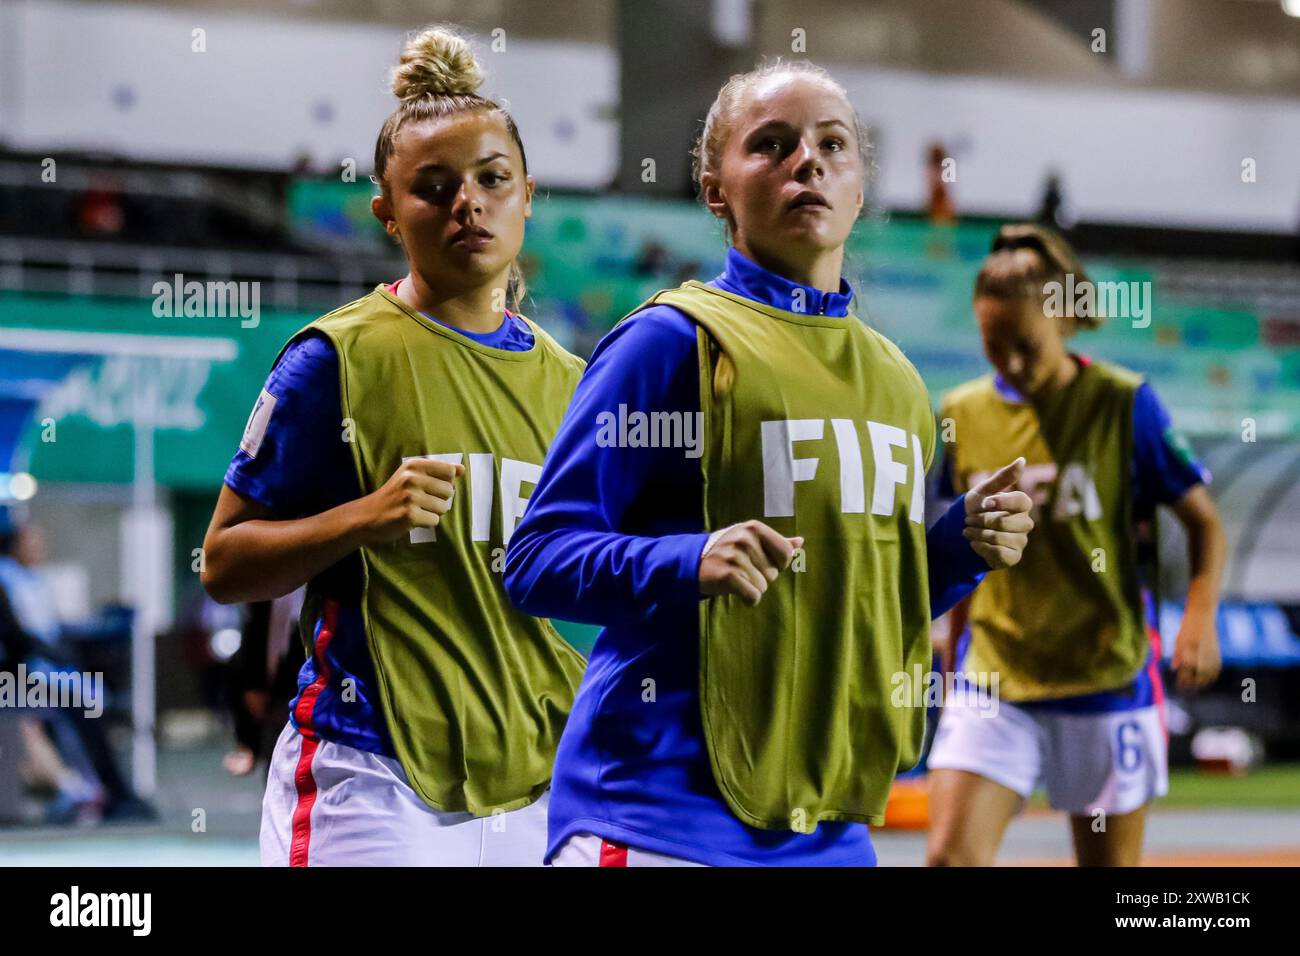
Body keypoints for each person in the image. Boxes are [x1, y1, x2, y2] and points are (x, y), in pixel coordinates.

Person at [504, 59, 1033, 866]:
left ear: (858, 187)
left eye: (833, 146)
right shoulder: (669, 341)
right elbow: (537, 559)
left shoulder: (896, 381)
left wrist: (959, 549)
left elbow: (862, 602)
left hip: (825, 822)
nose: (808, 163)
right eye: (773, 145)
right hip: (656, 810)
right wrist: (690, 560)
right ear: (717, 189)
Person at [201, 25, 586, 866]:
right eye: (434, 187)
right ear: (387, 211)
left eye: (493, 180)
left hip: (540, 782)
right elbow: (223, 565)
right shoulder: (333, 359)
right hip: (370, 773)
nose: (468, 204)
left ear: (527, 195)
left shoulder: (573, 383)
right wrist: (359, 519)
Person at [925, 224, 1225, 866]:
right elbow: (960, 543)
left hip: (1105, 678)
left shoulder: (1123, 404)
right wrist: (949, 659)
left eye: (1025, 345)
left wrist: (1200, 617)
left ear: (1061, 323)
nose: (1009, 363)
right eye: (992, 346)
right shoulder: (959, 412)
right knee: (949, 860)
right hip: (995, 678)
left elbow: (1204, 522)